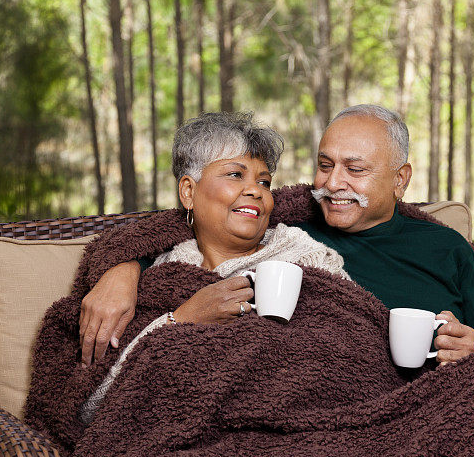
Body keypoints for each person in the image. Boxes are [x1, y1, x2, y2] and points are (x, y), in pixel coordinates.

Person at [78, 104, 474, 367]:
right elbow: (187, 234)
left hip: (431, 400)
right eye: (325, 165)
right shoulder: (289, 232)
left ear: (400, 180)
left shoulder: (446, 248)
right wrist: (122, 267)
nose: (334, 183)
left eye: (355, 169)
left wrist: (469, 353)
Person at [78, 111, 350, 418]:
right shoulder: (158, 272)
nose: (256, 190)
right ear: (189, 191)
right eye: (236, 175)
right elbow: (94, 407)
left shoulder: (306, 255)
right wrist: (181, 319)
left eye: (264, 181)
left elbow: (351, 344)